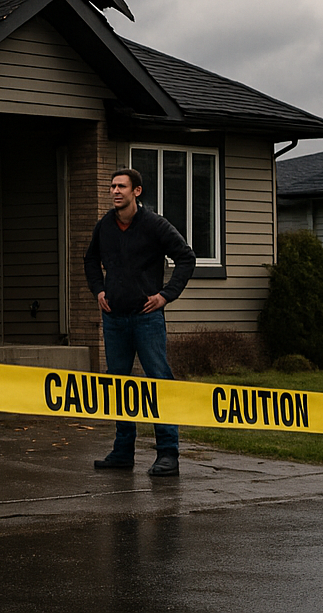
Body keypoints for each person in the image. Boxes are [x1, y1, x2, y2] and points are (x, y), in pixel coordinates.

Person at [84, 167, 195, 476]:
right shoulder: (104, 226)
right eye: (112, 187)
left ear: (137, 191)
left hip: (147, 319)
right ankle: (122, 451)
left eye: (121, 187)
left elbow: (186, 257)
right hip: (115, 319)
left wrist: (166, 295)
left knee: (159, 380)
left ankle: (168, 453)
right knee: (118, 384)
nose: (115, 191)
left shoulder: (155, 225)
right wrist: (99, 290)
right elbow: (90, 260)